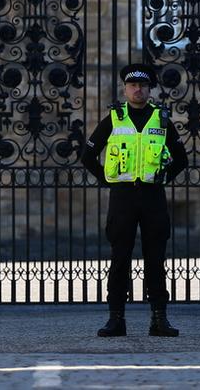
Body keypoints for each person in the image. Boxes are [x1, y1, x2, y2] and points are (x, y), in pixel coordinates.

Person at [80, 63, 187, 338]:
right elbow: (88, 155)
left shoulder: (160, 118)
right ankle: (116, 319)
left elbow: (182, 159)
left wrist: (163, 177)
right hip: (123, 197)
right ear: (125, 89)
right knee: (120, 259)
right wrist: (107, 180)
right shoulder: (114, 118)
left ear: (149, 89)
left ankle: (159, 319)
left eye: (142, 86)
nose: (137, 90)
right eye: (132, 85)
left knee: (156, 260)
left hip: (153, 197)